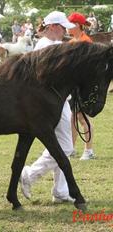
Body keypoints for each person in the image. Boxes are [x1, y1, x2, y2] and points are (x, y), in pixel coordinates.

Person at [20, 11, 76, 203]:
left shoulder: (53, 44)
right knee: (66, 147)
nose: (64, 31)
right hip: (52, 103)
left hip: (59, 101)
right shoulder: (45, 46)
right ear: (52, 27)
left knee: (63, 146)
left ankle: (60, 191)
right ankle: (30, 174)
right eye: (62, 28)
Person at [67, 12, 95, 160]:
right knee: (73, 118)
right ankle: (70, 148)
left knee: (83, 118)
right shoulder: (71, 42)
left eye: (70, 24)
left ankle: (89, 151)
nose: (67, 27)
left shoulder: (86, 42)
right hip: (73, 86)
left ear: (77, 25)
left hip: (84, 86)